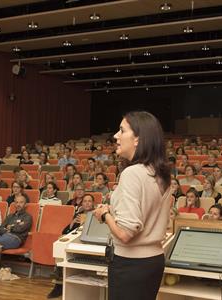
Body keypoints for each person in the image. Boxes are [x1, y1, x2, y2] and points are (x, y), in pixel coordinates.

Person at [93, 111, 171, 300]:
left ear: (138, 139)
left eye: (121, 130)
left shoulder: (132, 173)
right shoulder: (159, 173)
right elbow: (146, 212)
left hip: (130, 264)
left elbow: (126, 234)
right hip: (153, 261)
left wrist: (105, 215)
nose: (115, 136)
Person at [47, 193, 95, 298]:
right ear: (82, 203)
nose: (87, 203)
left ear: (93, 203)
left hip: (89, 243)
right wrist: (73, 223)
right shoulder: (79, 214)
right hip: (76, 242)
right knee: (61, 249)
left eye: (89, 201)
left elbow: (94, 233)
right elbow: (66, 231)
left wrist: (85, 224)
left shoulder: (96, 215)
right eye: (85, 201)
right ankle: (58, 285)